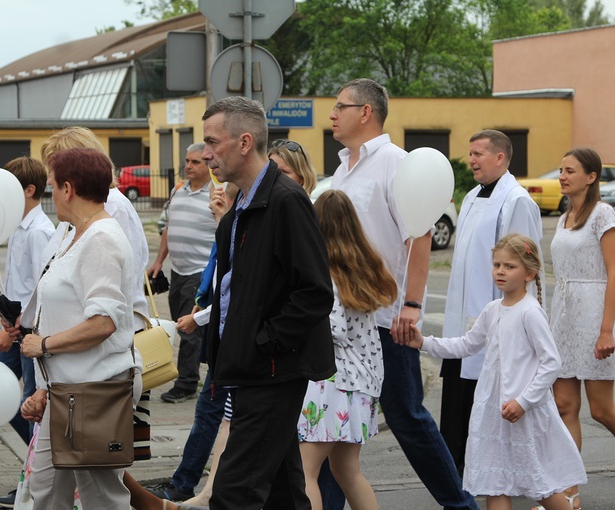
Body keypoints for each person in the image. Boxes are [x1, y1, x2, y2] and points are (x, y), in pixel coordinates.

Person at [329, 77, 477, 510]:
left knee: (407, 416)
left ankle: (460, 505)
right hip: (345, 318)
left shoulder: (396, 163)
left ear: (366, 112)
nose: (333, 115)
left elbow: (420, 235)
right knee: (336, 423)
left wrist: (411, 304)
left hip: (384, 316)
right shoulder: (342, 168)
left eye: (341, 106)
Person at [202, 96, 335, 510]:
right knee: (284, 493)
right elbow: (235, 289)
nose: (206, 153)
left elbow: (315, 291)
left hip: (271, 370)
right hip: (247, 367)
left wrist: (265, 343)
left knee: (233, 494)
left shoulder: (286, 200)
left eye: (212, 142)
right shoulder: (240, 203)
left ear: (244, 142)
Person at [400, 234, 587, 510]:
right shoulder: (492, 310)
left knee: (538, 485)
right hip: (493, 412)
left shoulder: (530, 313)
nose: (500, 271)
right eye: (497, 264)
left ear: (529, 273)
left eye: (509, 266)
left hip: (521, 413)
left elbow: (551, 363)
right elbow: (466, 344)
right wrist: (424, 342)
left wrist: (523, 402)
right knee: (494, 482)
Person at [19, 147, 137, 507]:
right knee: (44, 492)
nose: (51, 193)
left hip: (92, 393)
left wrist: (45, 345)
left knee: (102, 499)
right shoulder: (76, 233)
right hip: (66, 392)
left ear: (68, 189)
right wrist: (45, 386)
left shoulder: (100, 239)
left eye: (53, 185)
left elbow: (102, 323)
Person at [39, 125, 152, 460]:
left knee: (99, 473)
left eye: (53, 174)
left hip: (94, 373)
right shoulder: (77, 222)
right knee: (74, 475)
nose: (50, 185)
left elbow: (108, 304)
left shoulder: (105, 220)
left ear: (70, 183)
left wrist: (44, 343)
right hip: (70, 374)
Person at [549, 148, 615, 510]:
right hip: (563, 316)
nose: (562, 176)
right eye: (561, 170)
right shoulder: (564, 217)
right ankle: (570, 490)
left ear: (591, 176)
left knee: (601, 410)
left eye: (570, 170)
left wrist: (606, 330)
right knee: (564, 405)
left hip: (595, 316)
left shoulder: (603, 213)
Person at [441, 129, 544, 477]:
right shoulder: (471, 196)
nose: (471, 160)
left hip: (497, 325)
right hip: (464, 321)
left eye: (477, 154)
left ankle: (492, 479)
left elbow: (524, 263)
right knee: (456, 409)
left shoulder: (517, 201)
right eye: (470, 154)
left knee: (483, 410)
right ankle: (459, 478)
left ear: (500, 157)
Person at [298, 189, 397, 510]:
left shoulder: (325, 271)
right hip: (363, 385)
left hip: (330, 382)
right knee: (347, 471)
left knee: (304, 473)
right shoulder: (362, 266)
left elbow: (333, 327)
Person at [149, 182, 238, 504]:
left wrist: (198, 317)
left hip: (232, 341)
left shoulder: (235, 234)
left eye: (222, 198)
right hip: (221, 335)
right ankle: (196, 485)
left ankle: (188, 484)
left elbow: (237, 290)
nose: (216, 202)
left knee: (212, 413)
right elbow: (216, 276)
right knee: (218, 415)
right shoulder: (224, 231)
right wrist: (202, 301)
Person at [0, 157, 55, 508]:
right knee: (11, 399)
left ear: (29, 190)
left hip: (29, 333)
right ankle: (35, 471)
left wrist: (14, 330)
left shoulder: (40, 231)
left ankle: (34, 483)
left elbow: (40, 289)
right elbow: (18, 283)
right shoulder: (18, 226)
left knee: (29, 401)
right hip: (15, 327)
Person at [148, 142, 217, 405]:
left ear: (208, 163)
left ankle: (187, 383)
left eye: (195, 162)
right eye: (187, 161)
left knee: (190, 328)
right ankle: (192, 374)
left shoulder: (216, 193)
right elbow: (168, 227)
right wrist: (159, 261)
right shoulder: (178, 190)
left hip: (200, 272)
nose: (188, 166)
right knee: (181, 324)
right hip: (177, 270)